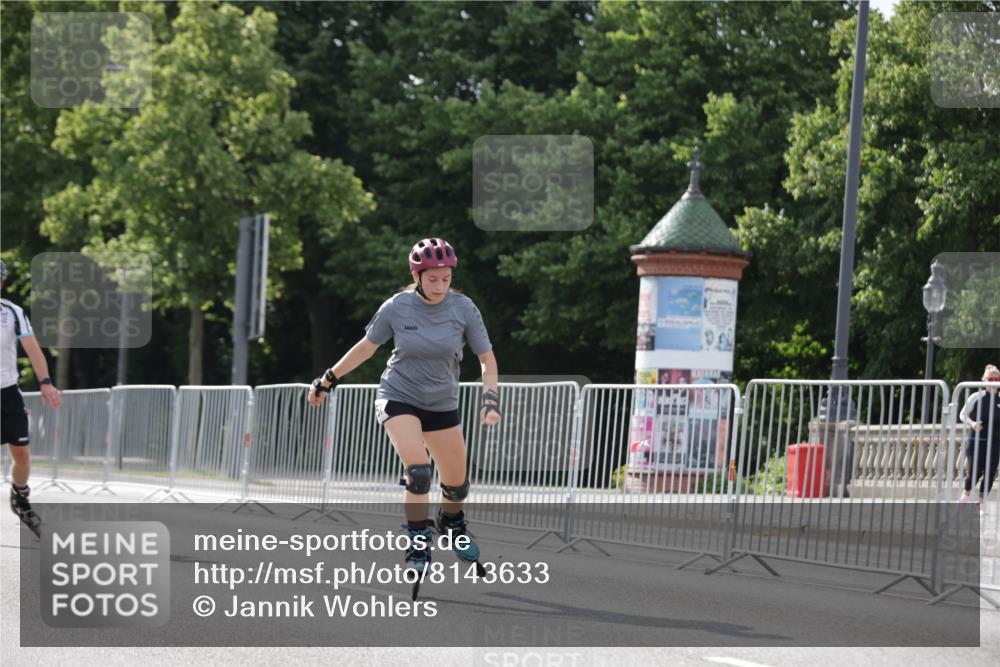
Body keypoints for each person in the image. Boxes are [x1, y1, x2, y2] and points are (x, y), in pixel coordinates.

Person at [306, 238, 500, 574]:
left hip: (441, 403)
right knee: (419, 473)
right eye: (432, 279)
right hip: (399, 396)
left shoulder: (464, 308)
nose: (440, 286)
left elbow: (487, 358)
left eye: (446, 278)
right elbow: (366, 348)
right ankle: (417, 541)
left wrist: (490, 400)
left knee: (457, 486)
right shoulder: (397, 306)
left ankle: (451, 522)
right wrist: (327, 379)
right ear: (417, 274)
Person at [1, 259, 62, 536]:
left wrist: (46, 382)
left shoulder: (12, 312)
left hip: (7, 392)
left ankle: (20, 497)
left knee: (22, 454)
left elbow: (32, 348)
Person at [958, 364, 1000, 512]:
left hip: (994, 443)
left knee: (990, 472)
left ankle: (981, 503)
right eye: (991, 379)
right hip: (977, 441)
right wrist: (972, 423)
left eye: (997, 379)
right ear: (984, 380)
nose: (994, 382)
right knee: (975, 472)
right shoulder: (976, 397)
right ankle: (965, 495)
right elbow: (962, 414)